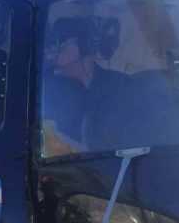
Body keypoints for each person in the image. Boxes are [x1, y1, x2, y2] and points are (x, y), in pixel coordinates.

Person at [41, 16, 128, 157]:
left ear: (83, 46)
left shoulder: (121, 86)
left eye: (60, 45)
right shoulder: (49, 86)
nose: (52, 52)